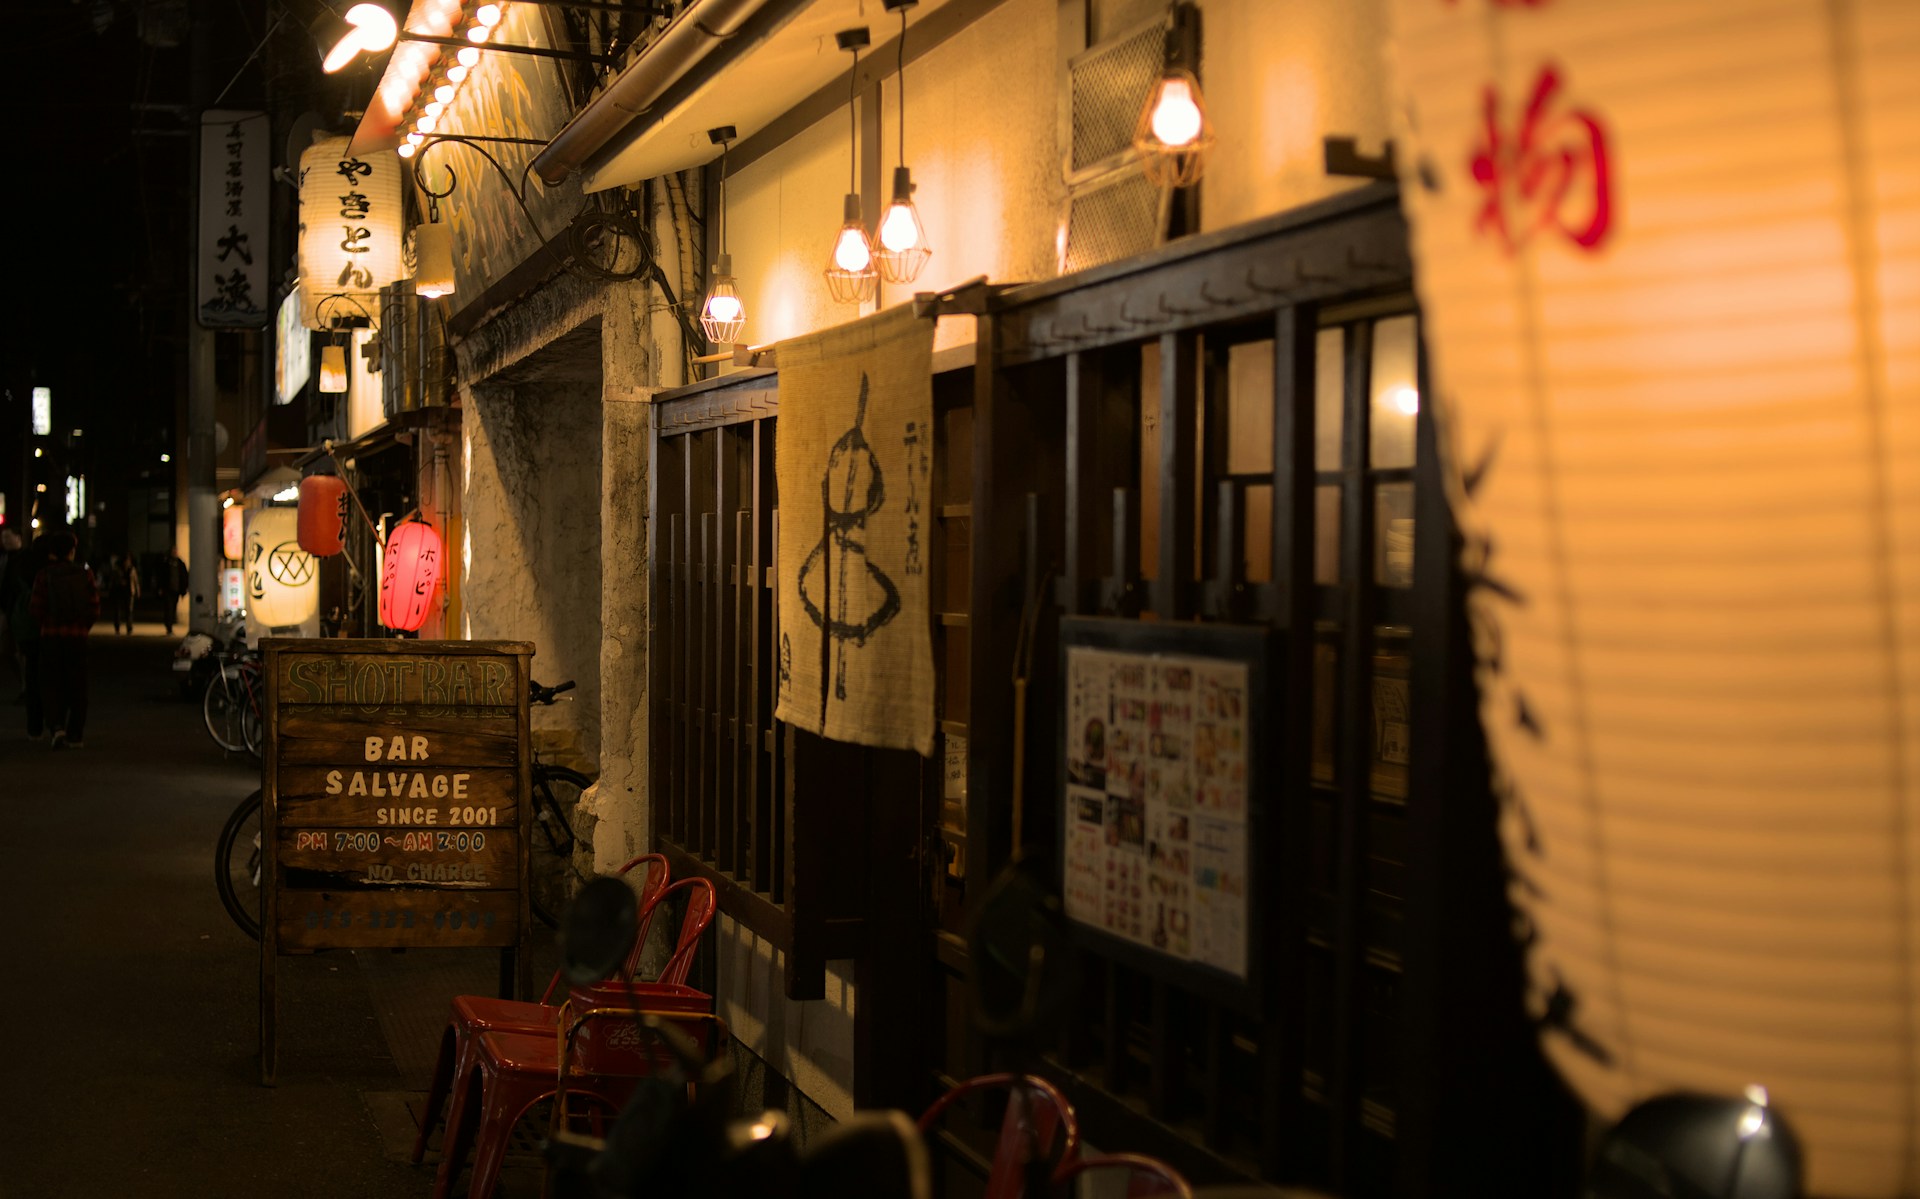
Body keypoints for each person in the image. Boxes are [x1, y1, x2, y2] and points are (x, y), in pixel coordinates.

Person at [29, 531, 98, 749]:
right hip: (77, 639)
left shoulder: (44, 575)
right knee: (78, 686)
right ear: (71, 551)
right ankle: (75, 734)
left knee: (51, 684)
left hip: (51, 638)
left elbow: (36, 608)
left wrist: (46, 625)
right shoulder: (84, 575)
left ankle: (56, 727)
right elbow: (94, 607)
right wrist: (83, 627)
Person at [105, 552, 140, 635]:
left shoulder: (132, 569)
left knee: (129, 610)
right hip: (119, 591)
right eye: (126, 560)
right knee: (117, 610)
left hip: (129, 592)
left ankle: (129, 628)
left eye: (128, 560)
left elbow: (135, 581)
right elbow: (112, 580)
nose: (127, 562)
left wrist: (137, 590)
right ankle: (117, 627)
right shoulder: (117, 569)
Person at [161, 551, 188, 635]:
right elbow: (162, 575)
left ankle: (170, 624)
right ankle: (169, 626)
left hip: (176, 590)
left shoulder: (180, 564)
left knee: (173, 608)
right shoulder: (166, 563)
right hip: (168, 589)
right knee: (169, 607)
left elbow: (184, 577)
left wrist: (184, 589)